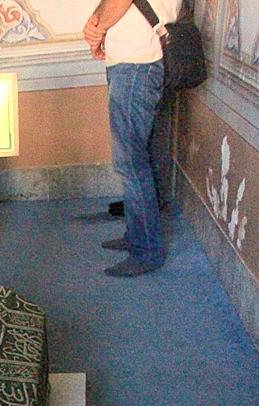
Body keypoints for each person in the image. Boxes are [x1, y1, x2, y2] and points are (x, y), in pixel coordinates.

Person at [84, 0, 183, 276]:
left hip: (138, 62)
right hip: (136, 60)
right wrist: (99, 26)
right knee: (140, 156)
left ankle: (147, 251)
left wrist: (96, 27)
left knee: (130, 162)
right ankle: (137, 237)